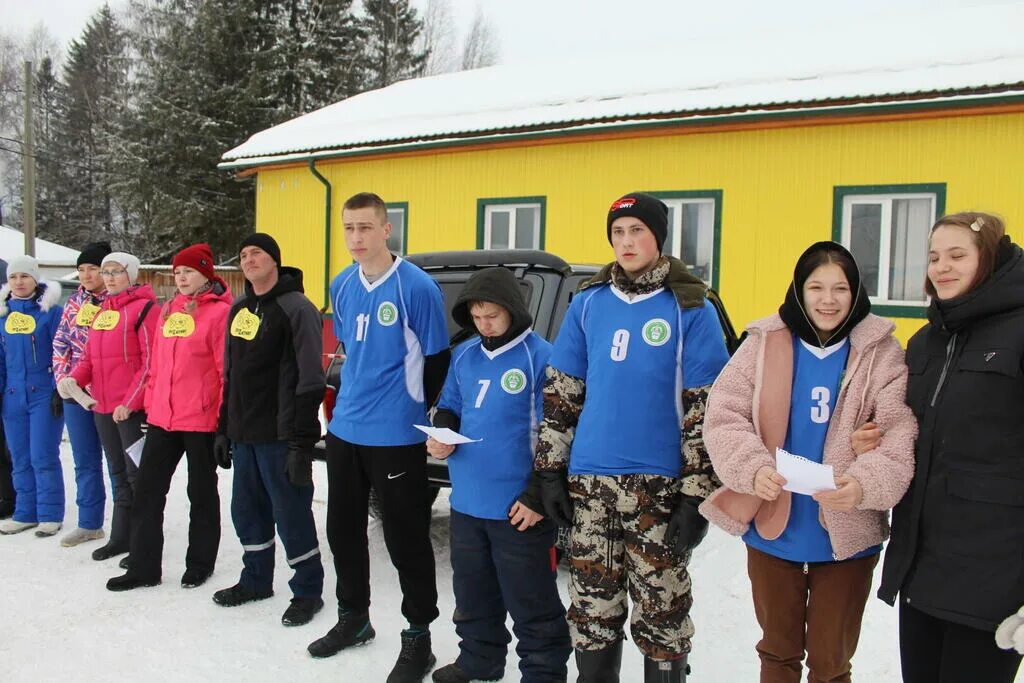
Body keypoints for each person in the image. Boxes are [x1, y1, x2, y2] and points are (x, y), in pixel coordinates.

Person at [699, 241, 917, 683]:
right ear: (799, 290)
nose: (828, 299)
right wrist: (752, 467)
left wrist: (863, 483)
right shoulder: (764, 342)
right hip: (775, 525)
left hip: (845, 532)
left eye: (840, 288)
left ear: (856, 293)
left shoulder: (881, 352)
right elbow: (724, 416)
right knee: (777, 653)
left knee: (830, 662)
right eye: (816, 287)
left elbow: (898, 431)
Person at [534, 192, 729, 683]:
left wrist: (696, 496)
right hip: (590, 485)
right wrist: (550, 472)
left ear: (658, 237)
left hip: (657, 489)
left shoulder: (691, 308)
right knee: (593, 609)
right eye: (618, 232)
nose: (627, 241)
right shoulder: (589, 304)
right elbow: (562, 396)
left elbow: (706, 411)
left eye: (637, 230)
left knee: (662, 611)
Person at [876, 212, 1024, 683]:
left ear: (990, 260)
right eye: (934, 256)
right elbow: (914, 431)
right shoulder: (925, 342)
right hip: (922, 569)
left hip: (994, 581)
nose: (941, 267)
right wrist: (875, 438)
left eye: (958, 255)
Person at [309, 192, 450, 683]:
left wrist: (413, 414)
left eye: (365, 227)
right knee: (342, 530)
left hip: (395, 435)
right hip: (346, 429)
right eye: (348, 228)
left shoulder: (417, 287)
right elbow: (350, 350)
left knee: (404, 536)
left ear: (386, 230)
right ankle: (354, 618)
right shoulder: (342, 283)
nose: (355, 237)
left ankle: (419, 636)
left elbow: (435, 361)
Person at [426, 267, 571, 683]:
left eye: (492, 315)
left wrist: (537, 496)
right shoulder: (466, 354)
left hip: (518, 508)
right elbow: (450, 404)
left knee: (532, 601)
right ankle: (480, 659)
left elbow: (558, 434)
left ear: (512, 310)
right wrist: (443, 436)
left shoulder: (541, 356)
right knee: (473, 594)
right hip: (468, 502)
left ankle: (543, 672)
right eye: (476, 316)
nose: (484, 324)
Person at [211, 233, 326, 628]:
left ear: (275, 260)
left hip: (281, 435)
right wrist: (224, 428)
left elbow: (312, 379)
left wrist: (301, 443)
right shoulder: (239, 309)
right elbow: (231, 374)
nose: (248, 259)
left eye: (256, 252)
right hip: (244, 434)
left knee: (291, 514)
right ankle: (256, 580)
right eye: (243, 255)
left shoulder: (297, 308)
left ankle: (308, 591)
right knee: (247, 512)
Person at [106, 243, 230, 591]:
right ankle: (144, 567)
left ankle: (200, 563)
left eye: (189, 271)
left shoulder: (221, 314)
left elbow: (225, 373)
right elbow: (155, 366)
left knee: (201, 493)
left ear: (206, 273)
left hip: (200, 419)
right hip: (162, 417)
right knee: (147, 491)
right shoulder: (168, 310)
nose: (182, 278)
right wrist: (146, 404)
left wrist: (223, 422)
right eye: (177, 272)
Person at [58, 251, 159, 563]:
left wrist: (130, 403)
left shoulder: (145, 309)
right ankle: (120, 536)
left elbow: (150, 361)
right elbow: (89, 358)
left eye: (117, 271)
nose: (110, 277)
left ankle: (142, 540)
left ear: (131, 273)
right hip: (102, 405)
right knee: (116, 472)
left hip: (130, 409)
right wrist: (73, 380)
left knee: (136, 474)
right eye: (107, 271)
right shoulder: (102, 311)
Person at [52, 241, 111, 548]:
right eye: (82, 269)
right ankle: (90, 523)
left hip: (110, 392)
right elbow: (61, 342)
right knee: (84, 459)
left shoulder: (116, 301)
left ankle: (133, 525)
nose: (87, 275)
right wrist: (64, 382)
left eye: (94, 268)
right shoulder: (74, 302)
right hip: (76, 393)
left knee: (120, 463)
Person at [0, 256, 65, 536]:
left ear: (35, 279)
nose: (19, 282)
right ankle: (25, 511)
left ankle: (50, 512)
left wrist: (57, 388)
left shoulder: (51, 312)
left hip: (43, 393)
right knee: (19, 456)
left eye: (25, 277)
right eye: (14, 277)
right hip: (12, 394)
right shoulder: (3, 314)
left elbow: (62, 351)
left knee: (43, 455)